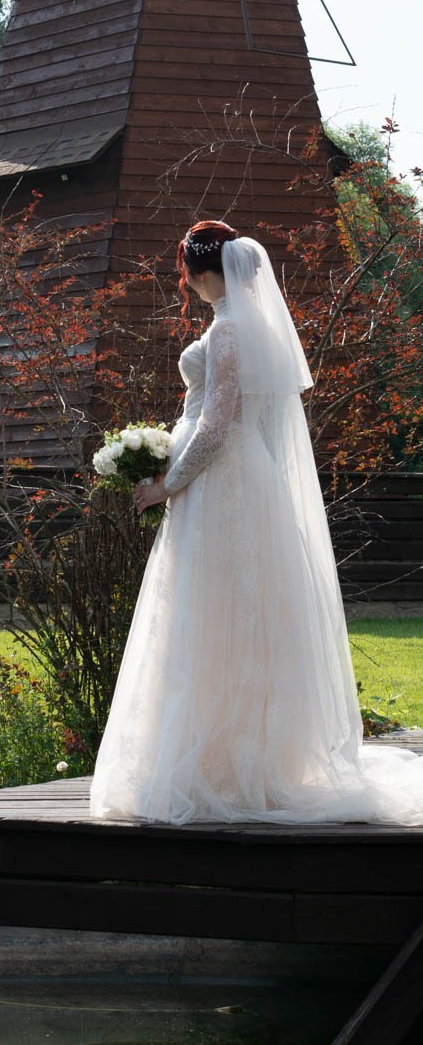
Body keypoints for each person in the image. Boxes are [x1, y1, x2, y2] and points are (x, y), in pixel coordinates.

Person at [91, 220, 423, 825]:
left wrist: (167, 482)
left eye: (185, 273)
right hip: (248, 478)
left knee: (209, 611)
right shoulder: (254, 327)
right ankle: (251, 757)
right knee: (244, 614)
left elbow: (216, 425)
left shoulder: (225, 331)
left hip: (218, 483)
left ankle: (219, 768)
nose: (186, 284)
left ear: (198, 270)